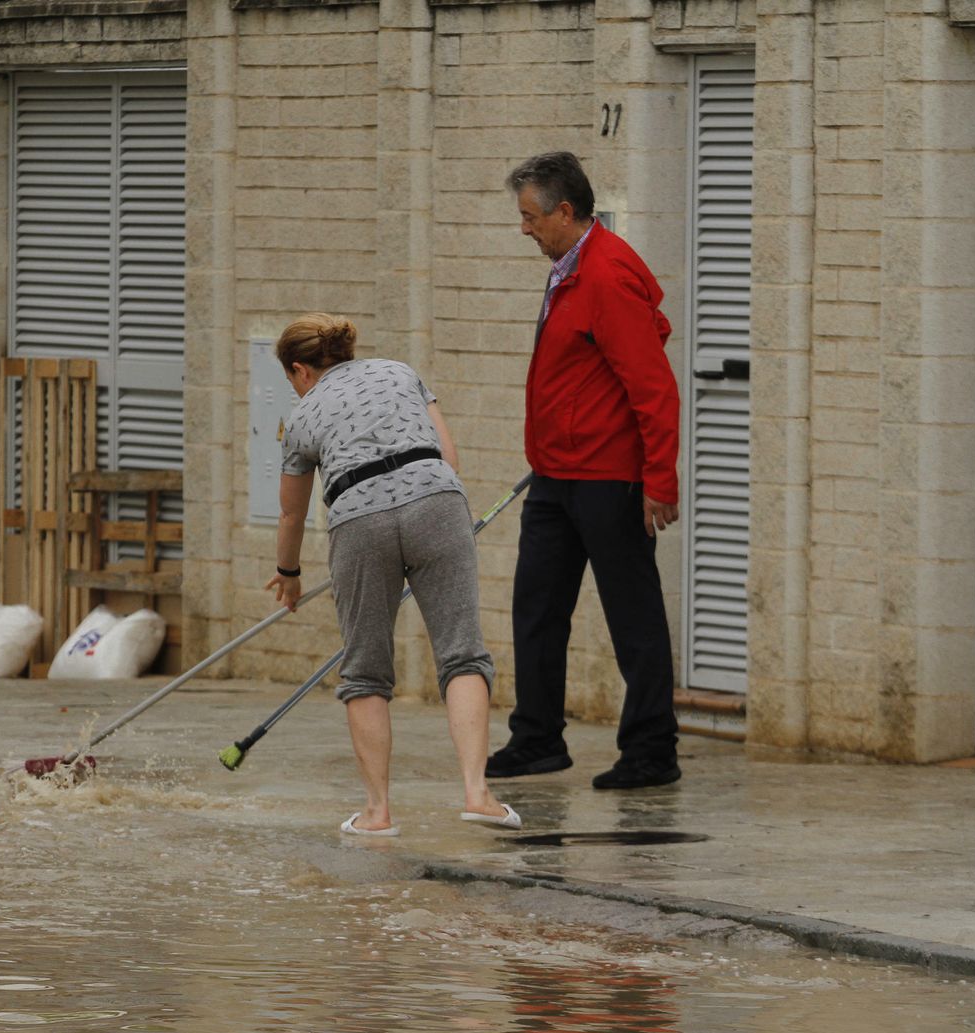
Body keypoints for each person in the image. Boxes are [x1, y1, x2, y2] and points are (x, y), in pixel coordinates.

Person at [264, 312, 518, 836]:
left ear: (299, 370)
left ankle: (377, 813)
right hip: (437, 501)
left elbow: (291, 513)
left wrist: (288, 573)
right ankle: (479, 794)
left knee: (365, 672)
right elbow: (449, 455)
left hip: (359, 518)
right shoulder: (401, 372)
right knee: (463, 654)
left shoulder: (302, 416)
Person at [486, 151, 684, 790]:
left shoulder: (605, 275)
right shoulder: (567, 266)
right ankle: (537, 738)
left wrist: (659, 480)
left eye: (530, 218)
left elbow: (653, 386)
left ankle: (652, 751)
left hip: (608, 477)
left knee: (632, 614)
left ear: (564, 212)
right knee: (537, 606)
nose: (525, 230)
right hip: (556, 474)